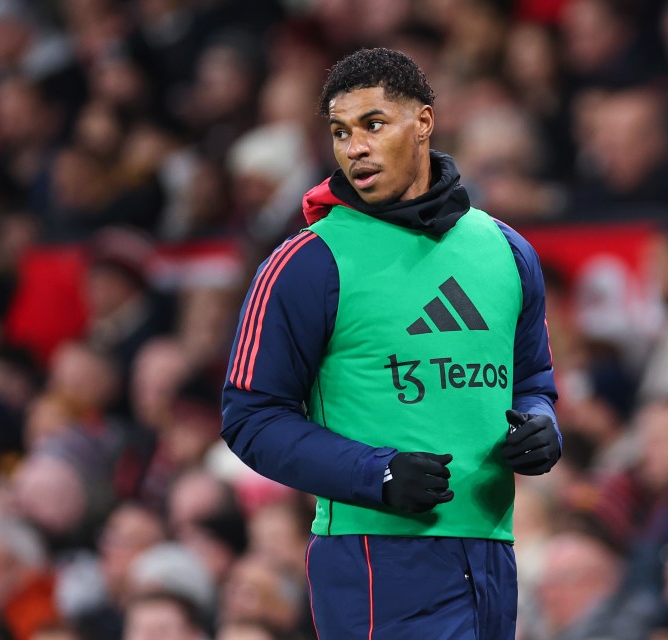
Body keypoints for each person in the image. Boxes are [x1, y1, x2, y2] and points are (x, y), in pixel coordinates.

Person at [221, 47, 561, 639]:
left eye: (373, 124)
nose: (355, 147)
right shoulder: (306, 262)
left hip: (491, 554)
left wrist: (539, 424)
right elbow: (250, 417)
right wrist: (372, 474)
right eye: (339, 131)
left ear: (424, 122)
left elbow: (532, 381)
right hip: (374, 559)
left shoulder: (507, 250)